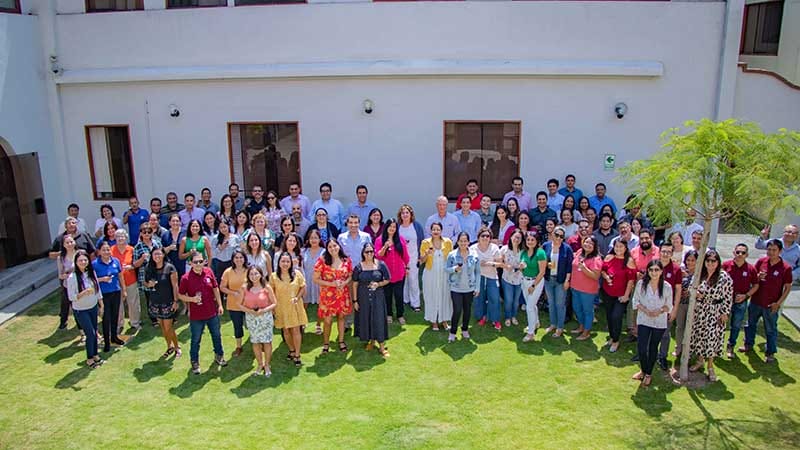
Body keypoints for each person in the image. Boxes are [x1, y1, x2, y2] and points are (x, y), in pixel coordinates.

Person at [742, 239, 793, 363]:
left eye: (774, 250)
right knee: (750, 324)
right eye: (769, 249)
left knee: (770, 329)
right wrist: (757, 277)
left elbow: (788, 287)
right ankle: (748, 344)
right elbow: (752, 277)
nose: (771, 252)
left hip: (771, 304)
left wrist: (778, 303)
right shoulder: (761, 262)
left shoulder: (785, 268)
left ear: (780, 251)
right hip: (756, 301)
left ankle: (770, 352)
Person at [178, 251, 227, 375]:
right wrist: (192, 299)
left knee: (216, 335)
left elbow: (215, 288)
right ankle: (194, 361)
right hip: (196, 316)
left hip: (212, 313)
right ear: (190, 263)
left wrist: (220, 305)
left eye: (201, 261)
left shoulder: (209, 272)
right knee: (195, 340)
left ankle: (219, 355)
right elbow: (180, 295)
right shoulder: (186, 278)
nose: (199, 264)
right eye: (196, 262)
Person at [688, 250, 733, 381]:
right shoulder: (700, 274)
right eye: (708, 261)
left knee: (712, 338)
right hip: (701, 310)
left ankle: (710, 366)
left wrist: (725, 312)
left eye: (713, 261)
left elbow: (728, 296)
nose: (710, 263)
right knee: (700, 336)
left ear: (718, 262)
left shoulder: (724, 277)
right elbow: (691, 287)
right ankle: (700, 360)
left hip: (715, 311)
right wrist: (696, 294)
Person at [631, 260, 673, 387]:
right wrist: (646, 310)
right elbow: (635, 300)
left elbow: (669, 305)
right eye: (651, 270)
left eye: (656, 270)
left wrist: (659, 311)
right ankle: (643, 370)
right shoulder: (641, 284)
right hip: (644, 319)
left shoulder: (666, 287)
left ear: (661, 271)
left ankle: (648, 373)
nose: (654, 272)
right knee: (642, 347)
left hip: (659, 322)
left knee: (653, 347)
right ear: (648, 271)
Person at [314, 239, 353, 353]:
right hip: (328, 296)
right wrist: (331, 284)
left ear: (339, 246)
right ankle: (326, 343)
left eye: (334, 246)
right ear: (327, 249)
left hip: (342, 294)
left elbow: (350, 275)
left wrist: (344, 283)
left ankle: (341, 341)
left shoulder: (346, 260)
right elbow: (315, 279)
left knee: (341, 318)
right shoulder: (322, 261)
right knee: (327, 321)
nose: (333, 248)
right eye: (330, 247)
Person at [67, 250, 105, 368]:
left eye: (85, 260)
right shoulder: (72, 278)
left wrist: (101, 304)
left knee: (94, 330)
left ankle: (95, 355)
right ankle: (89, 358)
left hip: (92, 307)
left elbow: (97, 289)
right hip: (81, 310)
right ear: (76, 262)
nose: (83, 262)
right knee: (91, 334)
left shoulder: (91, 273)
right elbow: (71, 297)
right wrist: (83, 293)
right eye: (80, 260)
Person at [353, 243, 391, 356]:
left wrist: (378, 284)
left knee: (378, 318)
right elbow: (354, 284)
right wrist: (355, 301)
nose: (369, 254)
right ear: (363, 253)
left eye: (371, 251)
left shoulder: (381, 265)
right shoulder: (358, 267)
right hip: (363, 297)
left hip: (378, 296)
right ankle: (371, 340)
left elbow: (388, 279)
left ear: (374, 252)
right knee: (367, 317)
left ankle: (382, 346)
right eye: (367, 252)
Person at [271, 252, 309, 367]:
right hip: (280, 307)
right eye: (283, 261)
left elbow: (303, 287)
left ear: (291, 263)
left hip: (294, 306)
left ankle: (297, 354)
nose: (285, 264)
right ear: (279, 263)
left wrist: (297, 298)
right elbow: (271, 292)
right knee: (286, 330)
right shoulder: (273, 276)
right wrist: (273, 306)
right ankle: (291, 350)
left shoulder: (297, 274)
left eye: (288, 261)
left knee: (296, 330)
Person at [600, 239, 638, 352]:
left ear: (625, 248)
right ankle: (612, 337)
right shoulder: (609, 257)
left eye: (621, 247)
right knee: (609, 316)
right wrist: (606, 277)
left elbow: (631, 280)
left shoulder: (629, 261)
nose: (618, 249)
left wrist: (626, 295)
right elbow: (603, 271)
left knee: (616, 317)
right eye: (616, 246)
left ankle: (616, 341)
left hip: (621, 295)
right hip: (607, 292)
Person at [143, 247, 181, 358]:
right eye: (155, 254)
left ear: (163, 255)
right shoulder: (149, 268)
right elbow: (145, 283)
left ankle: (177, 347)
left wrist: (175, 301)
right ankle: (169, 346)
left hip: (168, 302)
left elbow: (175, 286)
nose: (157, 256)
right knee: (163, 327)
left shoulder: (170, 268)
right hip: (155, 301)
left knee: (168, 327)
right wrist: (148, 285)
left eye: (159, 254)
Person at [723, 244, 759, 358]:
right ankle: (716, 346)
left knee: (736, 325)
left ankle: (731, 346)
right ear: (734, 252)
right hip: (724, 301)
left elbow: (756, 285)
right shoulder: (725, 265)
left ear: (747, 255)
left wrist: (746, 296)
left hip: (741, 302)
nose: (740, 254)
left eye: (743, 253)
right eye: (738, 252)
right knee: (720, 323)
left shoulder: (751, 269)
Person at [239, 266, 276, 377]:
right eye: (251, 274)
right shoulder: (244, 288)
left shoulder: (267, 287)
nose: (254, 277)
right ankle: (260, 364)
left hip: (265, 317)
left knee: (267, 341)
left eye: (256, 274)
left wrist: (263, 310)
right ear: (248, 276)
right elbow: (239, 304)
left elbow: (274, 303)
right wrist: (250, 311)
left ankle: (267, 364)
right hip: (251, 318)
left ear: (261, 275)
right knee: (255, 342)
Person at [445, 232, 480, 342]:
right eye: (461, 241)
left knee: (467, 310)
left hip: (469, 287)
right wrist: (454, 269)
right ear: (458, 242)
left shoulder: (474, 255)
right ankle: (453, 332)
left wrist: (477, 287)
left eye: (465, 241)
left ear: (469, 242)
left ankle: (465, 329)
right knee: (457, 310)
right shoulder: (452, 255)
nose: (463, 243)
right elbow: (446, 269)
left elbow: (478, 272)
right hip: (456, 287)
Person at [654, 243, 683, 369]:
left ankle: (662, 356)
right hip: (652, 306)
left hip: (667, 308)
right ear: (659, 252)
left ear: (672, 253)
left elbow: (678, 291)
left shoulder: (676, 269)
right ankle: (650, 354)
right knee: (650, 332)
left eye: (668, 252)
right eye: (663, 251)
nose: (665, 254)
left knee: (665, 334)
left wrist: (675, 309)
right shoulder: (654, 266)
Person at [420, 222, 453, 331]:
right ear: (431, 231)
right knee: (431, 296)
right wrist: (427, 254)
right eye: (434, 229)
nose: (436, 231)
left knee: (444, 296)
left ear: (441, 231)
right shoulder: (425, 243)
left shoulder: (448, 242)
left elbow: (451, 259)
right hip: (430, 273)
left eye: (438, 229)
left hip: (444, 273)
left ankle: (444, 320)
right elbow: (422, 261)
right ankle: (433, 321)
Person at [93, 241, 126, 352]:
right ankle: (106, 341)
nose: (106, 252)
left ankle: (114, 337)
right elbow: (91, 280)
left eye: (108, 249)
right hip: (103, 295)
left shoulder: (115, 261)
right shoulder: (95, 264)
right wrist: (102, 279)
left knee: (115, 316)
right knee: (106, 318)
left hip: (115, 292)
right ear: (99, 252)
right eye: (104, 250)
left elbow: (120, 276)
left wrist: (124, 290)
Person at [376, 219, 410, 325]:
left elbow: (406, 256)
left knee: (399, 295)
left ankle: (400, 315)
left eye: (394, 227)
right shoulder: (380, 240)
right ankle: (389, 314)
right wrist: (385, 246)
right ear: (386, 227)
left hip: (399, 273)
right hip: (386, 274)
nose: (392, 228)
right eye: (390, 226)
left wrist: (407, 268)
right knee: (387, 295)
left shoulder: (400, 239)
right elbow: (378, 255)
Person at [541, 226, 573, 337]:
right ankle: (553, 324)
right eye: (557, 235)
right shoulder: (546, 246)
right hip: (549, 279)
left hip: (561, 280)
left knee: (560, 304)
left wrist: (567, 280)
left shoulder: (567, 248)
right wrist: (546, 265)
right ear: (552, 234)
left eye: (561, 236)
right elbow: (541, 260)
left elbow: (569, 266)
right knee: (551, 303)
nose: (559, 238)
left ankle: (560, 327)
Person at [570, 235, 602, 341]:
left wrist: (584, 269)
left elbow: (596, 276)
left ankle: (586, 332)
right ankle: (581, 326)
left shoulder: (596, 259)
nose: (587, 245)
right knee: (577, 309)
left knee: (587, 311)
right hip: (575, 287)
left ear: (595, 246)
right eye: (586, 242)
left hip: (587, 290)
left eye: (591, 244)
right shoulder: (579, 252)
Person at [472, 227, 502, 330]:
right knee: (479, 298)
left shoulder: (494, 248)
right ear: (478, 237)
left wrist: (490, 263)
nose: (485, 238)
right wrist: (477, 263)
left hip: (492, 276)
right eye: (482, 236)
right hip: (478, 277)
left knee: (494, 298)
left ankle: (495, 319)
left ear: (490, 238)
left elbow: (500, 263)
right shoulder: (473, 248)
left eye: (487, 236)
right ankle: (482, 317)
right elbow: (469, 263)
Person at [219, 250, 249, 357]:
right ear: (233, 259)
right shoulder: (228, 272)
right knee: (237, 326)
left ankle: (257, 343)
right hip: (234, 304)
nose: (239, 260)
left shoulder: (249, 270)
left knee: (251, 324)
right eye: (236, 257)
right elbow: (222, 287)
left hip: (248, 303)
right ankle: (239, 346)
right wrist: (233, 293)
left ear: (245, 258)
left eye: (241, 257)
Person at [111, 229, 141, 333]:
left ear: (126, 237)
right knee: (118, 304)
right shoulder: (111, 250)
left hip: (130, 280)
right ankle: (119, 324)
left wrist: (131, 266)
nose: (120, 238)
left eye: (122, 236)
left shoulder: (131, 249)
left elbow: (136, 263)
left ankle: (135, 323)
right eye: (118, 236)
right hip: (116, 283)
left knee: (133, 302)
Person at [398, 204, 425, 312]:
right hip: (401, 258)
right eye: (403, 213)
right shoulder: (398, 226)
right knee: (403, 280)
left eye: (407, 213)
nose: (405, 215)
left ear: (411, 214)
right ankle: (405, 300)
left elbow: (422, 241)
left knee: (413, 280)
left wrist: (420, 257)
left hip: (413, 257)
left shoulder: (416, 226)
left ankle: (415, 303)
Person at [133, 224, 162, 328]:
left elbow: (163, 257)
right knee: (149, 298)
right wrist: (142, 259)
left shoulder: (157, 243)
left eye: (149, 232)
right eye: (144, 232)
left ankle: (162, 315)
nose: (146, 234)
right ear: (141, 233)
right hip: (145, 275)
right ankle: (153, 319)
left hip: (158, 273)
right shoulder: (138, 247)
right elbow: (135, 264)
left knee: (160, 295)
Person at [520, 232, 547, 342]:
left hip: (536, 282)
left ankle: (530, 333)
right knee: (531, 304)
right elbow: (522, 267)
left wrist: (533, 285)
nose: (530, 242)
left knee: (529, 307)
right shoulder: (523, 252)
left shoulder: (540, 253)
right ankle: (535, 323)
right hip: (524, 281)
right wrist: (521, 267)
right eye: (528, 240)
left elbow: (542, 272)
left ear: (536, 241)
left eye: (532, 240)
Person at [673, 250, 698, 360]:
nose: (690, 262)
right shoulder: (681, 272)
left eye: (693, 260)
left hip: (693, 305)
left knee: (691, 328)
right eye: (688, 260)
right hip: (681, 303)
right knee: (680, 326)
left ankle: (689, 350)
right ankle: (678, 347)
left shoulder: (699, 275)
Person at [499, 229, 525, 327]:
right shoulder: (504, 249)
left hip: (519, 279)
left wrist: (523, 265)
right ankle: (507, 317)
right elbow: (498, 262)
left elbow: (526, 262)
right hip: (507, 278)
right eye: (515, 237)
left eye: (519, 238)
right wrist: (505, 266)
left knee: (516, 300)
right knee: (509, 299)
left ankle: (514, 316)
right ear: (511, 237)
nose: (517, 239)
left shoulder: (523, 251)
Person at [302, 229, 325, 334]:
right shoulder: (303, 251)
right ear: (308, 239)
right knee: (304, 303)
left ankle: (318, 324)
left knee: (320, 304)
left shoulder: (324, 252)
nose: (313, 240)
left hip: (319, 281)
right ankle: (302, 323)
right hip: (306, 281)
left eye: (316, 237)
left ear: (319, 239)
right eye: (311, 238)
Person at [56, 236, 81, 332]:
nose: (70, 244)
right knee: (66, 304)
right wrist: (68, 273)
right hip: (68, 285)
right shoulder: (61, 258)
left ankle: (82, 327)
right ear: (63, 245)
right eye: (67, 243)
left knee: (79, 306)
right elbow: (60, 275)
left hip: (81, 283)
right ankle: (63, 322)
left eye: (71, 242)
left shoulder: (80, 254)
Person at [161, 214, 185, 280]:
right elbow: (162, 251)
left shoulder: (185, 233)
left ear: (180, 222)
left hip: (183, 264)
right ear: (169, 223)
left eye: (177, 221)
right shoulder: (165, 235)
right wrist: (169, 248)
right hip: (170, 264)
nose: (175, 223)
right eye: (173, 221)